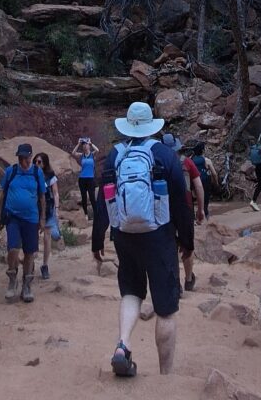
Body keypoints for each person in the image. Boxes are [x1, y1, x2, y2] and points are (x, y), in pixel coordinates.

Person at [92, 102, 194, 377]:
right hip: (159, 237)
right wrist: (187, 241)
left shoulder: (115, 155)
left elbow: (104, 199)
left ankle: (123, 345)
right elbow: (182, 202)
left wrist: (97, 239)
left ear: (127, 126)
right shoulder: (164, 154)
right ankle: (165, 377)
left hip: (125, 235)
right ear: (151, 126)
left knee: (131, 292)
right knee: (166, 309)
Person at [0, 142, 46, 303]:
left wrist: (42, 218)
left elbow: (42, 197)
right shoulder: (11, 171)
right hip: (13, 217)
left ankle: (27, 284)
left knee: (29, 253)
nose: (23, 161)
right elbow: (3, 194)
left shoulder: (37, 173)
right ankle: (12, 279)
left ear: (31, 157)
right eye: (21, 158)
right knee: (13, 249)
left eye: (25, 158)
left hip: (31, 218)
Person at [161, 133, 204, 292]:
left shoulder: (158, 163)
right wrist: (200, 210)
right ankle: (188, 279)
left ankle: (175, 284)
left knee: (171, 246)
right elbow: (198, 187)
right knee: (187, 245)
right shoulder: (187, 162)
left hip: (165, 209)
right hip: (185, 208)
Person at [33, 151, 60, 279]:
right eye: (35, 161)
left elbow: (55, 193)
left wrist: (57, 208)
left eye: (39, 162)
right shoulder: (31, 174)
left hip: (48, 209)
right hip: (34, 209)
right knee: (32, 237)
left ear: (44, 163)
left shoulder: (50, 176)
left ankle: (45, 265)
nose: (37, 164)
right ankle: (30, 262)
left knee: (47, 237)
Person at [72, 136, 99, 218]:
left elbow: (97, 150)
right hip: (82, 179)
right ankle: (86, 215)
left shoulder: (92, 154)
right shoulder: (81, 155)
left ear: (88, 146)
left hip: (91, 178)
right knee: (84, 197)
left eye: (86, 144)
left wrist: (91, 143)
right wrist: (78, 144)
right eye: (83, 145)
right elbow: (73, 153)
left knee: (92, 197)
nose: (84, 146)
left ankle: (96, 214)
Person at [191, 142, 218, 218]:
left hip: (193, 182)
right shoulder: (207, 160)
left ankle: (193, 217)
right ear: (203, 150)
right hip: (205, 182)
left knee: (192, 200)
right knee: (205, 202)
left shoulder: (191, 161)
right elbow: (214, 174)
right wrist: (216, 183)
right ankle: (205, 216)